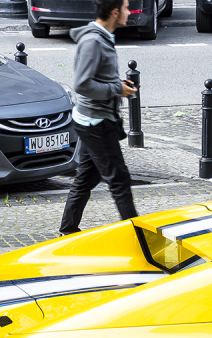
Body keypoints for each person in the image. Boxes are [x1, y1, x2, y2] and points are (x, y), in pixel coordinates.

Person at [59, 0, 139, 235]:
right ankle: (139, 238)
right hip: (96, 123)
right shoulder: (93, 41)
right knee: (120, 181)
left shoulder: (102, 37)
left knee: (86, 177)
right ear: (115, 13)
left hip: (93, 119)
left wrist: (118, 85)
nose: (128, 12)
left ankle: (68, 229)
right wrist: (117, 89)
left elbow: (98, 78)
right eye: (125, 8)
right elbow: (82, 84)